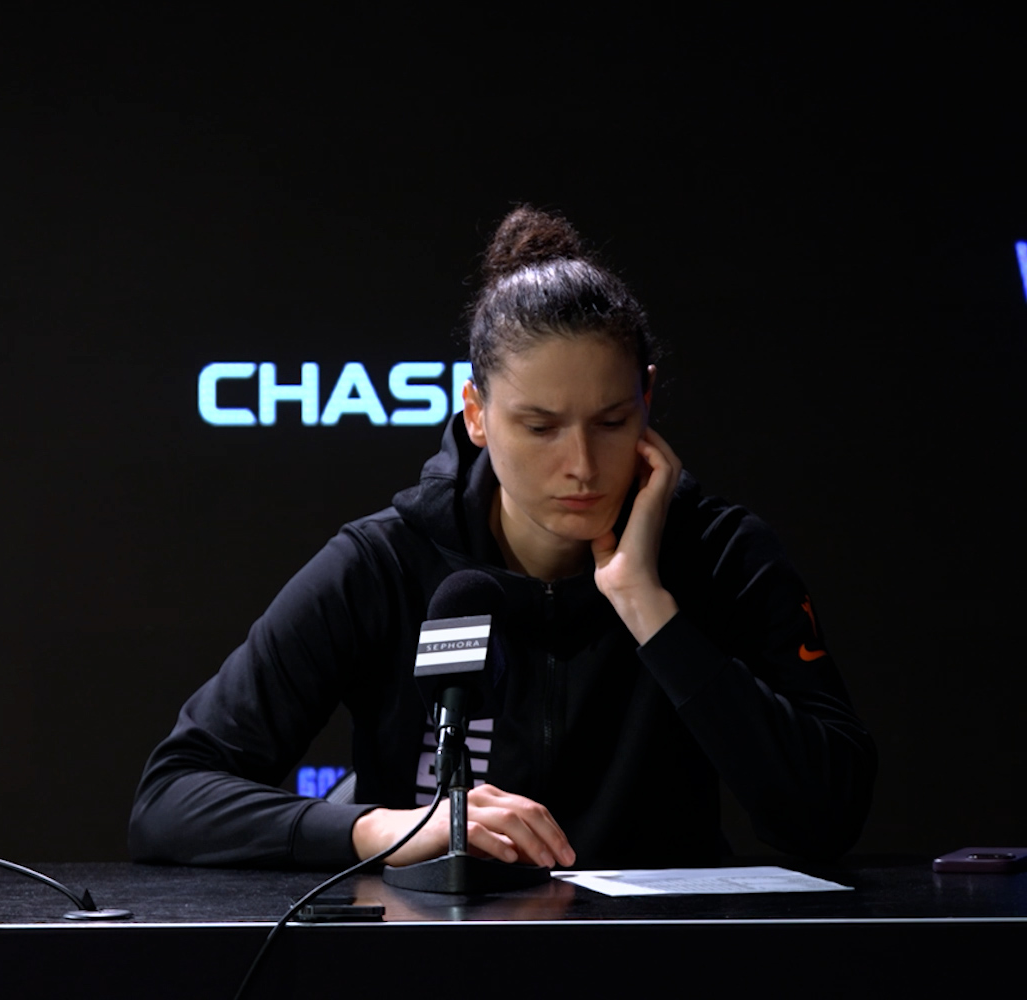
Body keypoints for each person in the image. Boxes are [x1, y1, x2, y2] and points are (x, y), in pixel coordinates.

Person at [129, 206, 875, 871]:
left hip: (658, 963)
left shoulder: (719, 556)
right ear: (477, 415)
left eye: (612, 422)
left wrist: (650, 608)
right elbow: (170, 797)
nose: (581, 466)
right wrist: (390, 829)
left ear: (648, 400)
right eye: (540, 426)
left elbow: (826, 817)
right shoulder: (385, 562)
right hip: (434, 964)